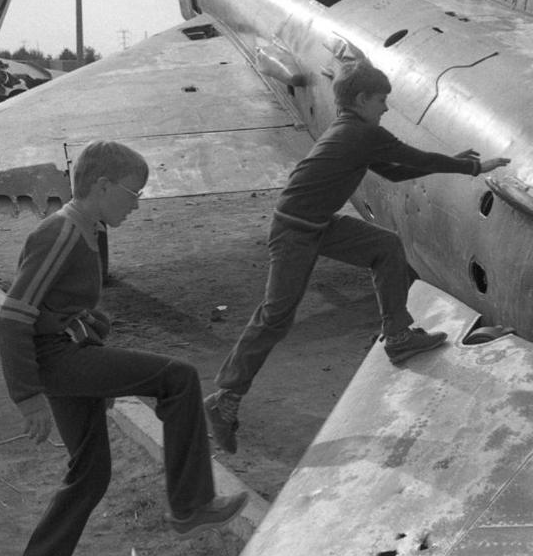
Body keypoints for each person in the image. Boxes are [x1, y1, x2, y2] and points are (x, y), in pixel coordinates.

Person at [0, 140, 246, 556]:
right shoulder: (61, 233)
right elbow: (12, 316)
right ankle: (191, 504)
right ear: (102, 186)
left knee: (90, 473)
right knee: (178, 378)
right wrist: (28, 398)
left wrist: (92, 321)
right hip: (59, 361)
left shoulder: (86, 232)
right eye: (134, 192)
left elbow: (57, 305)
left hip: (72, 353)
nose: (137, 202)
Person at [204, 54, 510, 454]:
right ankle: (225, 397)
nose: (386, 108)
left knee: (385, 246)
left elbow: (397, 170)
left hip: (316, 224)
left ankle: (398, 335)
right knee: (275, 316)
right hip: (295, 232)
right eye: (382, 100)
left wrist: (458, 163)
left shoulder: (352, 131)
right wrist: (471, 168)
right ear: (363, 98)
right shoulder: (361, 134)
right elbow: (413, 157)